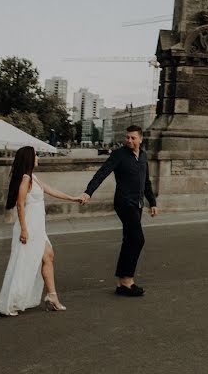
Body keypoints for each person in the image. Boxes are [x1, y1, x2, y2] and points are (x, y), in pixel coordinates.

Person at [0, 146, 82, 316]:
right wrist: (24, 230)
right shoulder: (26, 178)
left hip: (37, 228)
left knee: (48, 256)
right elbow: (20, 205)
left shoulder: (33, 178)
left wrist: (73, 198)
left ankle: (52, 297)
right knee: (24, 265)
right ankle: (10, 303)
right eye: (35, 155)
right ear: (29, 158)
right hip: (28, 228)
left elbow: (51, 190)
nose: (38, 157)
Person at [80, 126, 157, 297]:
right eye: (127, 137)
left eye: (133, 138)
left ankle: (122, 283)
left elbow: (146, 182)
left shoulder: (143, 156)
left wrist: (152, 202)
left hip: (137, 204)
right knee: (138, 239)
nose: (129, 140)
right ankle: (127, 281)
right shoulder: (119, 155)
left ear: (140, 139)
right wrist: (88, 192)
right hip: (124, 202)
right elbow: (101, 173)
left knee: (130, 239)